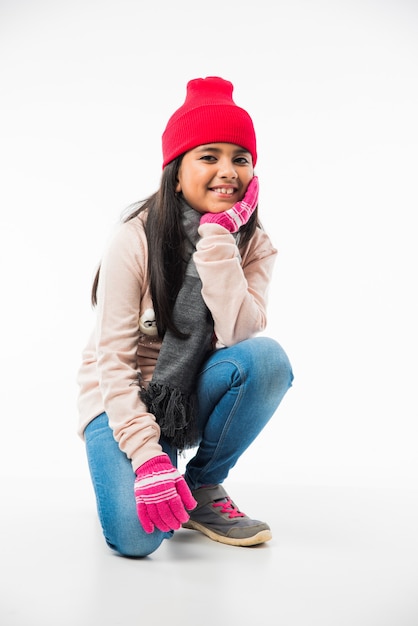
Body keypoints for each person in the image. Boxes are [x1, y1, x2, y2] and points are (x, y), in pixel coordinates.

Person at [77, 76, 293, 558]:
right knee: (138, 539)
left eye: (240, 158)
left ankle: (202, 488)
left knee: (266, 360)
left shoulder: (253, 243)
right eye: (209, 156)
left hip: (190, 391)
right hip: (123, 399)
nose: (227, 170)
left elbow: (240, 333)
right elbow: (112, 362)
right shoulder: (133, 239)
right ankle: (139, 467)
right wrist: (149, 457)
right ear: (176, 171)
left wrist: (218, 239)